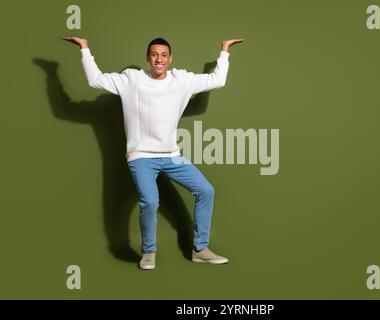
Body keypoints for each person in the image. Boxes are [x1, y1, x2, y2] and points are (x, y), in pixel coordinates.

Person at [62, 35, 244, 270]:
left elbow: (217, 80)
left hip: (171, 155)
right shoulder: (132, 80)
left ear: (170, 59)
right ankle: (149, 252)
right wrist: (85, 48)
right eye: (154, 54)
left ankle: (200, 249)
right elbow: (95, 80)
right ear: (148, 58)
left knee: (206, 190)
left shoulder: (182, 80)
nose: (159, 59)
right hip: (141, 157)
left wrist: (225, 51)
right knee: (150, 201)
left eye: (164, 55)